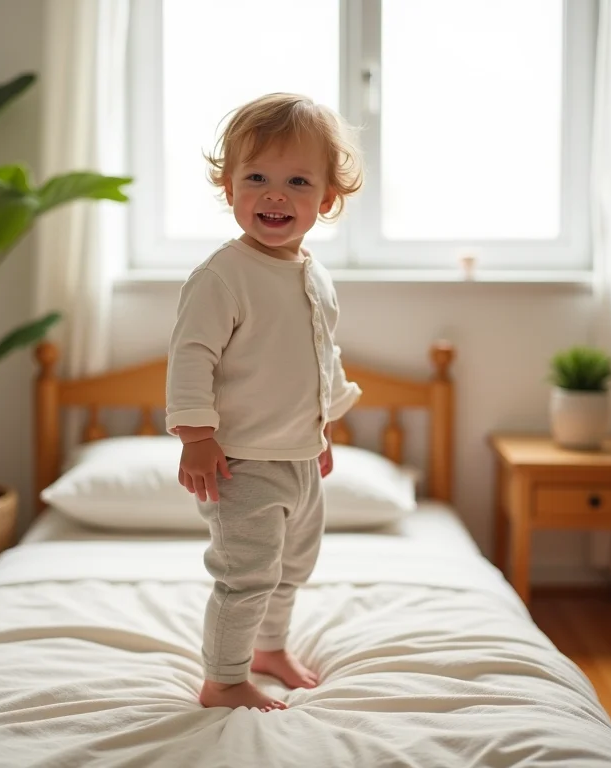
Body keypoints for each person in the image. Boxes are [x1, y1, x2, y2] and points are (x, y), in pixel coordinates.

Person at [165, 93, 363, 712]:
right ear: (229, 187)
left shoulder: (315, 276)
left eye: (297, 181)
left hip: (301, 459)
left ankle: (269, 648)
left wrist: (321, 430)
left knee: (292, 566)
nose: (275, 195)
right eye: (256, 178)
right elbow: (191, 356)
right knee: (246, 575)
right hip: (240, 462)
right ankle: (224, 679)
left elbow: (321, 356)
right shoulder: (222, 276)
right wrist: (197, 436)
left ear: (326, 199)